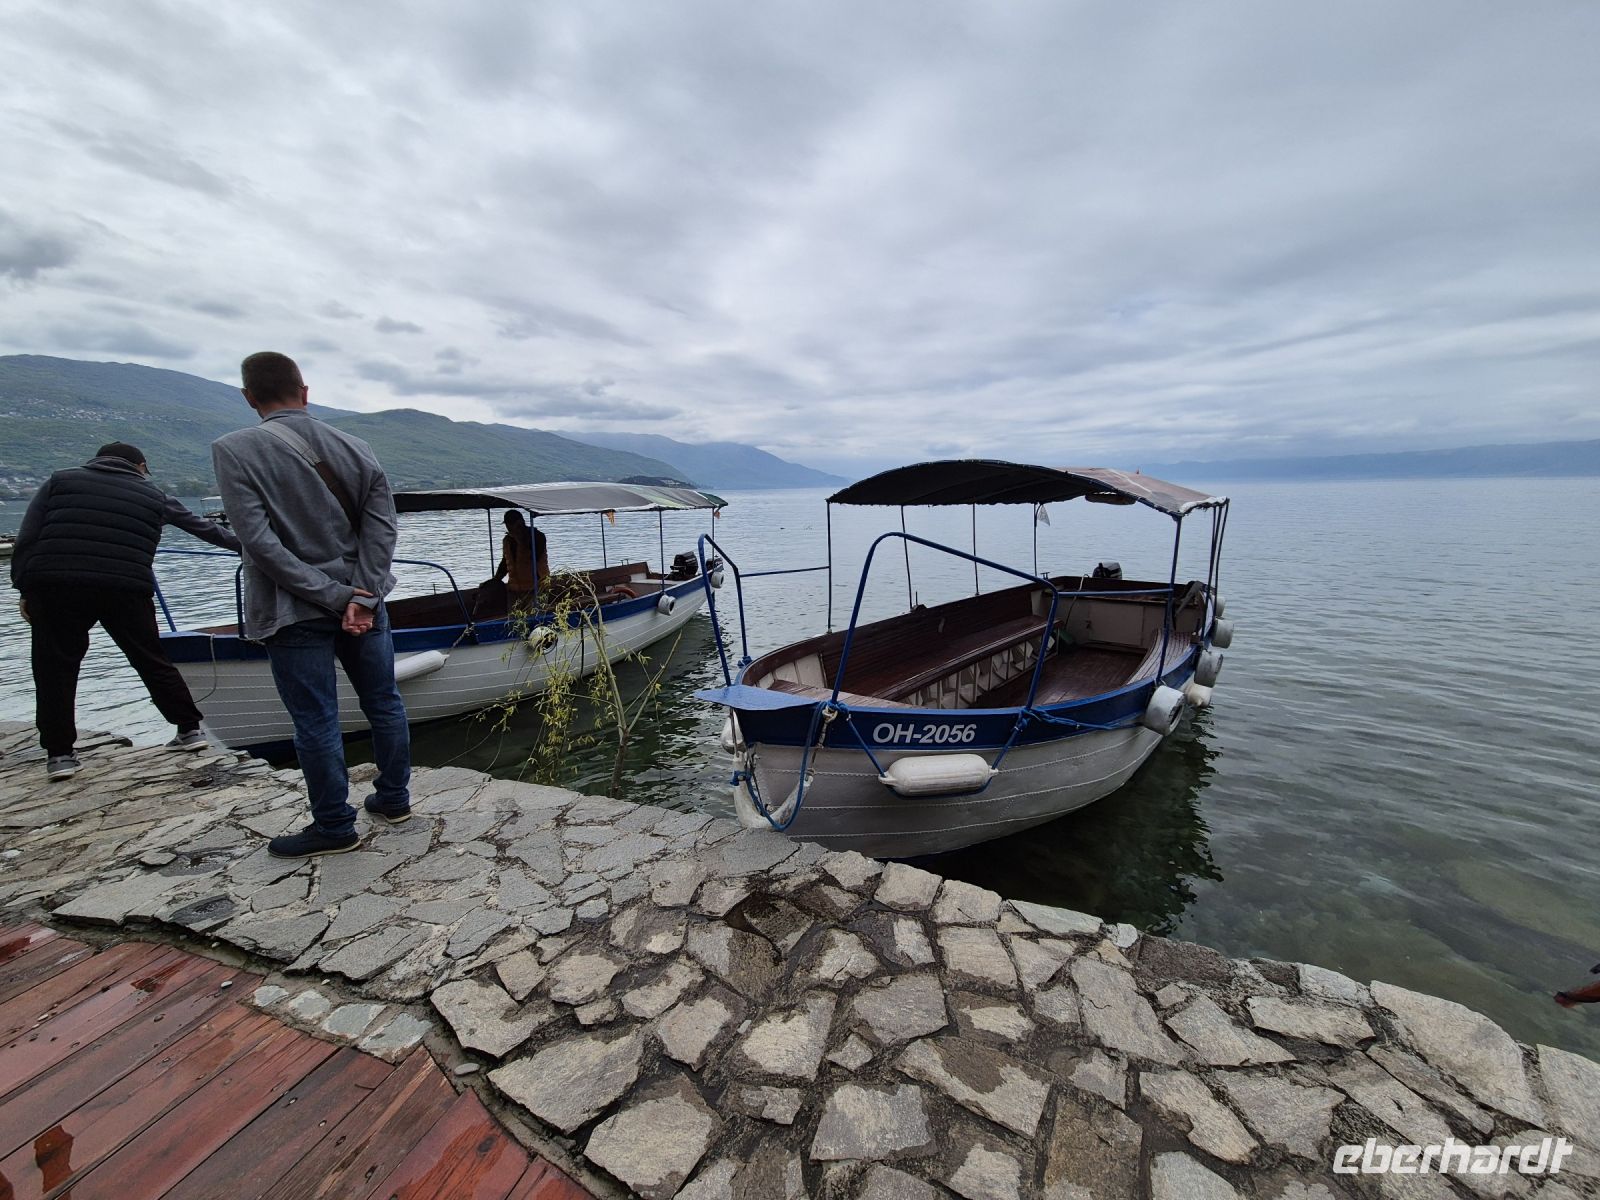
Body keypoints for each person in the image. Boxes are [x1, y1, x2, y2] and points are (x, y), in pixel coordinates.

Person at [211, 352, 410, 859]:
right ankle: (393, 799)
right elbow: (382, 527)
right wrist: (361, 596)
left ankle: (334, 826)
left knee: (315, 720)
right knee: (384, 702)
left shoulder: (234, 450)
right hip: (364, 602)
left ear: (248, 397)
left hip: (291, 608)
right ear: (305, 391)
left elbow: (258, 544)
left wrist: (335, 596)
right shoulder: (355, 445)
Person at [10, 442, 240, 780]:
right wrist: (256, 549)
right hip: (125, 586)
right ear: (141, 466)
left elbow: (27, 537)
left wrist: (24, 588)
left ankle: (60, 755)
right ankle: (190, 730)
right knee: (151, 658)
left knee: (54, 667)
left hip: (57, 584)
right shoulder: (154, 494)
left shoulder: (60, 480)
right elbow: (205, 529)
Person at [486, 510, 549, 611]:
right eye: (507, 525)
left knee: (535, 618)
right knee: (514, 620)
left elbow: (535, 556)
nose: (509, 528)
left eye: (511, 524)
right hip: (514, 589)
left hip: (536, 588)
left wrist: (521, 540)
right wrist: (496, 579)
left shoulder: (537, 537)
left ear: (520, 523)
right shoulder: (508, 540)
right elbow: (505, 563)